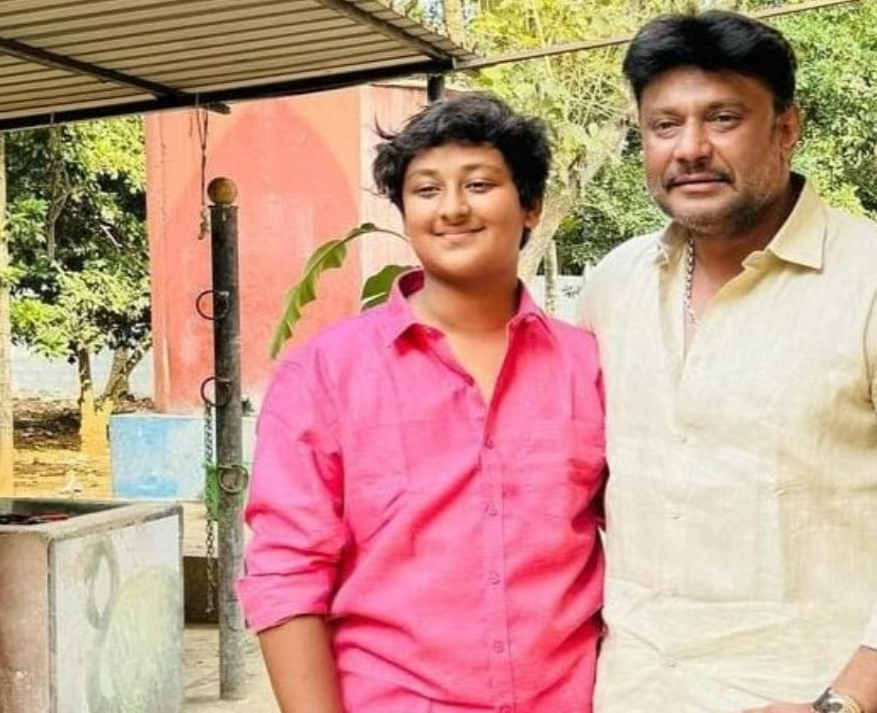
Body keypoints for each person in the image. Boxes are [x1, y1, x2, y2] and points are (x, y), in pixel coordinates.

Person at [579, 11, 877, 713]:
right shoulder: (614, 286)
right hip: (628, 692)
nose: (690, 148)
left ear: (787, 128)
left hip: (804, 692)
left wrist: (844, 704)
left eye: (723, 118)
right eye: (665, 125)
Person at [238, 93, 606, 712]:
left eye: (479, 184)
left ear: (531, 205)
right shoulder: (326, 373)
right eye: (427, 190)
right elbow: (287, 571)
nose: (452, 208)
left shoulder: (588, 367)